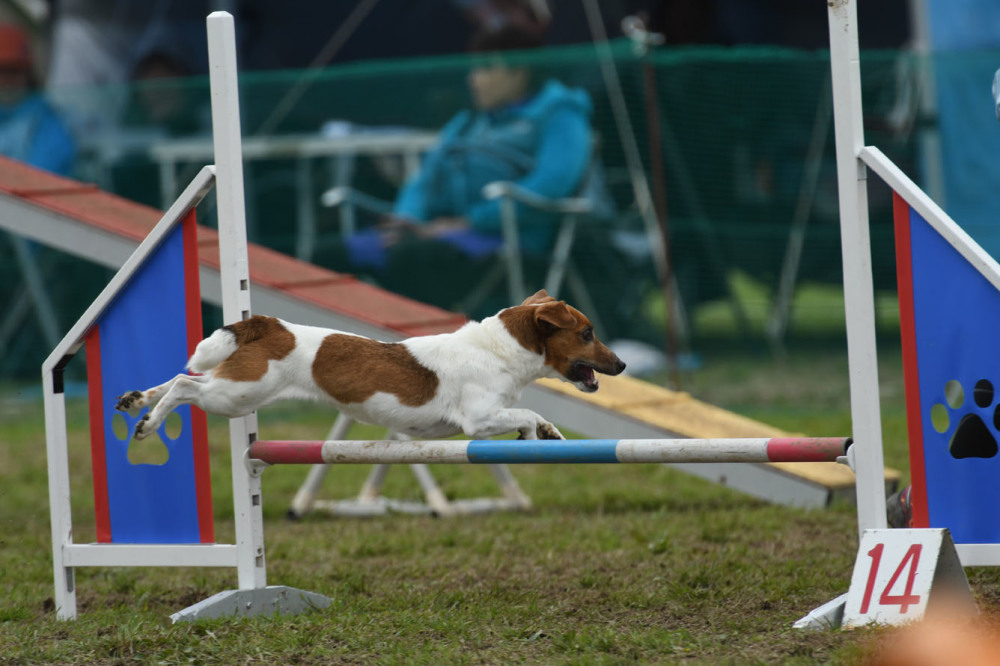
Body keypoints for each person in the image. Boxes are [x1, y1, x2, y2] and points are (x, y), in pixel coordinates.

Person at [322, 26, 604, 311]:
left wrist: (471, 222)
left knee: (411, 258)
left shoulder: (561, 114)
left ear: (518, 71)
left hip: (510, 242)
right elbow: (424, 181)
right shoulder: (468, 121)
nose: (472, 80)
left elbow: (553, 183)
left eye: (483, 69)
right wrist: (408, 220)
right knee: (327, 256)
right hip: (438, 234)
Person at [0, 23, 75, 176]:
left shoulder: (47, 120)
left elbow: (39, 176)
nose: (5, 80)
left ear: (27, 74)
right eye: (1, 71)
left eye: (13, 71)